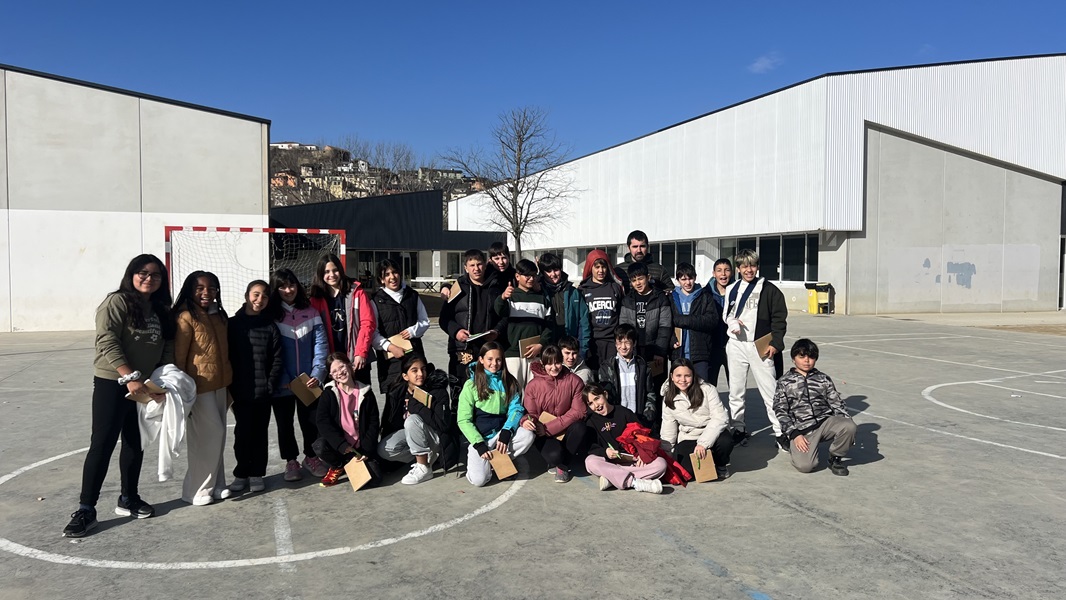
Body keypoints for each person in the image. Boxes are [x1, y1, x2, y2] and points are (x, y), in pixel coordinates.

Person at [64, 255, 174, 537]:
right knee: (102, 444)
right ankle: (86, 509)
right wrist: (129, 376)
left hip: (143, 385)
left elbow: (166, 347)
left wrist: (158, 382)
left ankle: (128, 497)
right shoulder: (117, 301)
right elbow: (106, 339)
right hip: (113, 382)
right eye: (143, 273)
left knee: (135, 442)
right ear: (131, 274)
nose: (148, 279)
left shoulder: (161, 308)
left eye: (155, 275)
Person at [173, 271, 233, 506]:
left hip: (221, 384)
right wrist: (181, 391)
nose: (206, 293)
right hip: (198, 387)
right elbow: (179, 358)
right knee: (208, 436)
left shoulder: (219, 315)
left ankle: (217, 484)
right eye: (200, 288)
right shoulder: (186, 317)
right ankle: (195, 490)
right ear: (190, 290)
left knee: (218, 436)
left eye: (212, 288)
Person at [724, 249, 789, 451]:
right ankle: (738, 428)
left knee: (770, 391)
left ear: (757, 266)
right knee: (736, 391)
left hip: (759, 345)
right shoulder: (732, 288)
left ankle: (780, 432)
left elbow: (779, 319)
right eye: (744, 266)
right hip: (736, 345)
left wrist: (775, 343)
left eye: (752, 265)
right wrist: (732, 322)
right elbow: (727, 314)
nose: (749, 270)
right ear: (738, 268)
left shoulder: (769, 290)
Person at [270, 268, 330, 482]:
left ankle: (311, 457)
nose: (288, 290)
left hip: (308, 381)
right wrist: (283, 378)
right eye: (283, 286)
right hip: (282, 384)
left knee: (311, 422)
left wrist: (317, 373)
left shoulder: (311, 312)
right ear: (275, 289)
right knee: (284, 424)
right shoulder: (271, 315)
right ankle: (291, 461)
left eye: (292, 285)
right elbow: (271, 351)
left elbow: (321, 345)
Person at [227, 280, 282, 494]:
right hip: (240, 392)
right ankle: (241, 473)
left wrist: (269, 384)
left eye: (265, 296)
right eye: (256, 294)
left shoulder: (270, 327)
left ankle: (257, 473)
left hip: (263, 393)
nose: (260, 299)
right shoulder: (232, 325)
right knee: (242, 434)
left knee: (259, 434)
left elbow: (277, 359)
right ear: (247, 295)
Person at [456, 342, 535, 487]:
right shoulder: (471, 384)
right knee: (479, 481)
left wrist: (507, 431)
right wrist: (478, 444)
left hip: (499, 435)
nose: (494, 363)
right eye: (490, 359)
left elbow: (516, 409)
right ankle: (485, 462)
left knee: (527, 435)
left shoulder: (510, 382)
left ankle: (499, 460)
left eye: (498, 359)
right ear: (481, 359)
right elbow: (463, 420)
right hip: (481, 438)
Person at [773, 339, 856, 476]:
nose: (807, 360)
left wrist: (848, 431)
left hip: (824, 423)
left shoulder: (823, 379)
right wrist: (794, 434)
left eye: (811, 357)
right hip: (802, 430)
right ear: (793, 358)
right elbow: (780, 410)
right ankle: (792, 444)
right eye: (802, 356)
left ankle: (835, 457)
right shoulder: (784, 382)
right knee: (806, 466)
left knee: (849, 425)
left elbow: (837, 404)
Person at [377, 354, 454, 484]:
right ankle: (423, 457)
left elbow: (443, 425)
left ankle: (424, 468)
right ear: (405, 376)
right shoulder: (398, 392)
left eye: (423, 369)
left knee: (412, 420)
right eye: (414, 370)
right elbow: (390, 422)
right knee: (384, 449)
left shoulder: (437, 390)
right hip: (414, 437)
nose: (420, 374)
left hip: (435, 436)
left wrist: (416, 405)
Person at [521, 346, 589, 483]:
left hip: (564, 428)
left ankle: (563, 465)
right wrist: (527, 421)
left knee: (580, 428)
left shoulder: (574, 381)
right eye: (549, 363)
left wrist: (550, 427)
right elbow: (531, 413)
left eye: (557, 362)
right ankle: (557, 461)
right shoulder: (533, 385)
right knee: (554, 455)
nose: (554, 367)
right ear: (542, 363)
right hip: (543, 432)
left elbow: (579, 411)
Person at [583, 384, 666, 493]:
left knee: (661, 464)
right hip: (609, 462)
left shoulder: (623, 412)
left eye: (597, 398)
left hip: (632, 460)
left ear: (605, 395)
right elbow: (591, 447)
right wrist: (605, 452)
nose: (596, 405)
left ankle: (612, 478)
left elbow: (641, 434)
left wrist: (643, 453)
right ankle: (634, 482)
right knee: (590, 462)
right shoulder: (590, 421)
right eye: (590, 403)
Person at [314, 353, 382, 487]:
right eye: (334, 371)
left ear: (350, 366)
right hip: (340, 447)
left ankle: (351, 465)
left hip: (359, 448)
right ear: (331, 375)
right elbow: (322, 421)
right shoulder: (329, 393)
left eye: (342, 367)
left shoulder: (366, 392)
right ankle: (338, 465)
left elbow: (373, 423)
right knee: (319, 446)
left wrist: (366, 450)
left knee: (375, 479)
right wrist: (341, 445)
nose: (340, 372)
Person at [438, 249, 507, 381]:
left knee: (489, 389)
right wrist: (456, 332)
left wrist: (497, 331)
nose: (476, 269)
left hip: (488, 349)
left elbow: (505, 316)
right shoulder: (457, 289)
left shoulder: (496, 287)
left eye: (479, 264)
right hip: (463, 349)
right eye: (472, 265)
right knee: (461, 388)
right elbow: (444, 319)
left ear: (485, 265)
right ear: (466, 268)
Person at [660, 359, 733, 481]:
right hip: (689, 436)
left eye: (687, 376)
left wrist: (703, 444)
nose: (683, 380)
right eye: (678, 376)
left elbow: (720, 418)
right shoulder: (668, 397)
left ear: (693, 375)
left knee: (725, 442)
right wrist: (666, 455)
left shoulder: (708, 389)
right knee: (686, 472)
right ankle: (708, 462)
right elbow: (668, 426)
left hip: (711, 432)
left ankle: (720, 464)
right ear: (672, 376)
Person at [308, 253, 376, 385]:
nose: (332, 275)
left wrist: (361, 352)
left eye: (335, 270)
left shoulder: (356, 292)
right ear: (321, 274)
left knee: (361, 395)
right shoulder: (316, 299)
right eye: (327, 272)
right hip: (331, 362)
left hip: (356, 359)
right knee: (335, 396)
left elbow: (368, 323)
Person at [370, 258, 430, 392]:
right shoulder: (375, 301)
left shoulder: (412, 295)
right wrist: (390, 347)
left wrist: (413, 331)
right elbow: (373, 332)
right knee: (394, 398)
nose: (392, 277)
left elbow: (425, 321)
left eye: (395, 272)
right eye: (387, 274)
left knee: (417, 396)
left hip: (414, 356)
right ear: (381, 279)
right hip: (391, 363)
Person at [493, 259, 551, 390]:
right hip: (513, 354)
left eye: (534, 275)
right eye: (527, 276)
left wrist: (540, 345)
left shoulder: (542, 299)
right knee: (513, 391)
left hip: (535, 355)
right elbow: (499, 310)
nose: (531, 279)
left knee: (535, 392)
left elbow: (549, 326)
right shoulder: (511, 296)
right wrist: (503, 297)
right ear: (517, 276)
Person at [670, 262, 720, 385]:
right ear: (677, 280)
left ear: (695, 277)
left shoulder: (705, 296)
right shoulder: (671, 297)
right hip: (679, 352)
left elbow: (712, 320)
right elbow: (667, 322)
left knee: (701, 388)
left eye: (690, 278)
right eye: (683, 279)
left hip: (700, 352)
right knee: (680, 387)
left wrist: (685, 320)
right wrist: (671, 339)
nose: (688, 282)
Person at [619, 262, 672, 378]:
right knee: (637, 383)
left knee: (656, 383)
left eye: (640, 279)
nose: (637, 283)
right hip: (634, 350)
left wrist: (660, 352)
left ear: (648, 277)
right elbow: (623, 327)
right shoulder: (627, 300)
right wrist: (626, 349)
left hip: (655, 350)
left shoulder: (660, 298)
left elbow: (665, 327)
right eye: (634, 280)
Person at [597, 324, 656, 426]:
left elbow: (650, 393)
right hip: (616, 421)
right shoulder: (607, 367)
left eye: (627, 342)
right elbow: (604, 397)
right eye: (620, 342)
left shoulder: (642, 367)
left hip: (639, 420)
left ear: (634, 343)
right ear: (615, 343)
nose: (623, 347)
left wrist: (648, 414)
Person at [537, 252, 591, 357]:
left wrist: (582, 349)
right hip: (546, 349)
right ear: (543, 272)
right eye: (548, 271)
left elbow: (584, 323)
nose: (553, 274)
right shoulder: (539, 291)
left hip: (569, 349)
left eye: (556, 270)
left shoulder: (573, 292)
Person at [578, 249, 624, 371]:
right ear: (590, 267)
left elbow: (621, 313)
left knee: (611, 375)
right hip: (592, 341)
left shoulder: (615, 288)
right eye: (597, 267)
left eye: (603, 267)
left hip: (612, 340)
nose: (601, 271)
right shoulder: (583, 290)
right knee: (592, 376)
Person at [706, 258, 733, 388]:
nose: (723, 274)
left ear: (732, 273)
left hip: (733, 347)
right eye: (719, 270)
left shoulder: (739, 293)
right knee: (709, 386)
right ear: (714, 273)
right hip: (712, 348)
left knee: (735, 387)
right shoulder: (706, 294)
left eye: (727, 270)